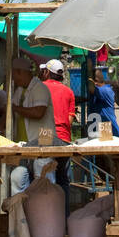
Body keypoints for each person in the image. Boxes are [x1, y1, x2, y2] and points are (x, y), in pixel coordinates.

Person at [8, 56, 57, 195]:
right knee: (17, 178)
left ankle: (47, 213)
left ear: (19, 72)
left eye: (14, 75)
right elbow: (9, 110)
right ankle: (21, 214)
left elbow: (38, 112)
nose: (13, 79)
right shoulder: (19, 91)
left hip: (42, 142)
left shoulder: (40, 88)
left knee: (43, 179)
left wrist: (15, 108)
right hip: (23, 145)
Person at [40, 58, 76, 197]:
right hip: (63, 138)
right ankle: (64, 215)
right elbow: (69, 120)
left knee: (46, 178)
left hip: (45, 136)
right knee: (63, 180)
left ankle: (47, 215)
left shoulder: (40, 87)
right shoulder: (68, 92)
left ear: (47, 72)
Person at [87, 67, 119, 138]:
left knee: (107, 146)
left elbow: (91, 88)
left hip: (109, 129)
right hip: (100, 127)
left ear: (95, 81)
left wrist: (88, 76)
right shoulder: (99, 91)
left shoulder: (105, 90)